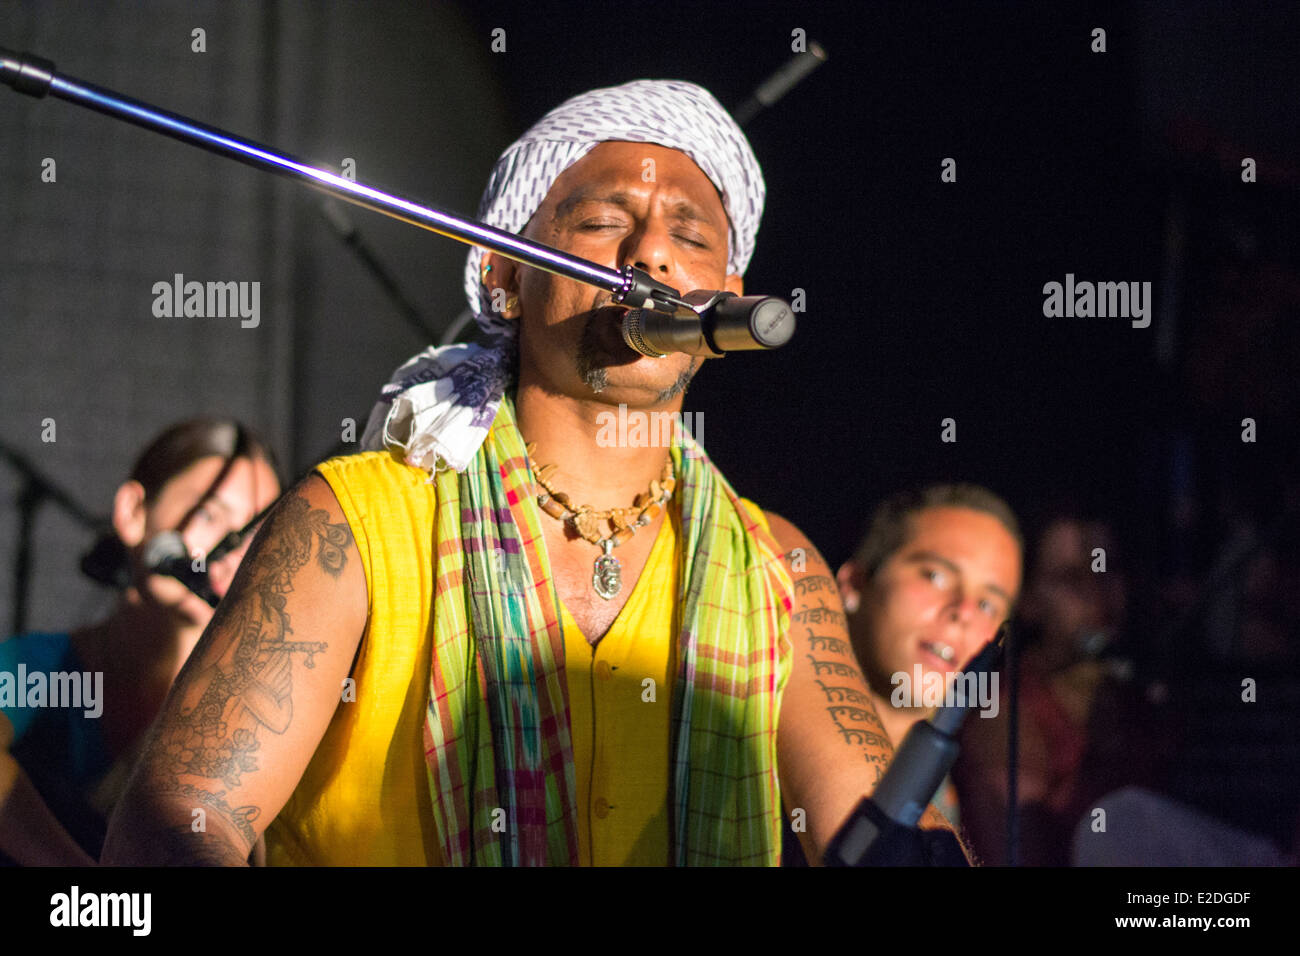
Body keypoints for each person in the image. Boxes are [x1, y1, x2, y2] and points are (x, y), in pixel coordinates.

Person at [103, 80, 952, 867]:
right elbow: (181, 818)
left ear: (726, 295)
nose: (652, 251)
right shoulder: (352, 520)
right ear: (504, 273)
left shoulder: (779, 567)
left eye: (689, 235)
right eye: (602, 222)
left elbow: (886, 833)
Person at [0, 418, 280, 865]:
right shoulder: (41, 666)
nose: (230, 555)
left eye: (253, 538)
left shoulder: (252, 709)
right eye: (209, 516)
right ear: (133, 512)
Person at [833, 485, 1022, 828]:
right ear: (855, 584)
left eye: (987, 605)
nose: (963, 612)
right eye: (935, 576)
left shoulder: (959, 808)